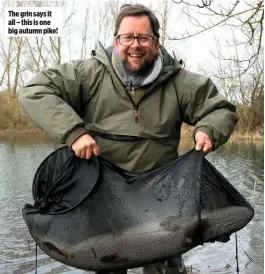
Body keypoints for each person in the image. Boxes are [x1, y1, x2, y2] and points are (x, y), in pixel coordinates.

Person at [19, 3, 238, 274]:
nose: (135, 45)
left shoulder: (181, 82)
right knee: (108, 267)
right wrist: (74, 133)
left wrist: (208, 130)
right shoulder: (88, 74)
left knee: (166, 269)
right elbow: (34, 91)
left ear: (156, 43)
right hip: (103, 201)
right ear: (116, 40)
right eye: (127, 37)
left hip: (162, 202)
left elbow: (222, 110)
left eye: (143, 38)